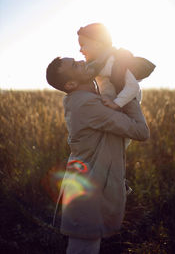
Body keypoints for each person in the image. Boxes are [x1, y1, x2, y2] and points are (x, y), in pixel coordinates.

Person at [46, 57, 150, 254]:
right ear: (71, 84)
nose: (82, 61)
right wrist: (125, 91)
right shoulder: (88, 104)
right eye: (75, 65)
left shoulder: (84, 100)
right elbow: (141, 131)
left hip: (88, 193)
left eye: (77, 59)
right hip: (87, 198)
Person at [77, 23, 156, 110]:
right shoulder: (95, 65)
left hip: (128, 104)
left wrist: (116, 103)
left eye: (82, 45)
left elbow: (133, 87)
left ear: (97, 45)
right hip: (114, 104)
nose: (80, 50)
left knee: (137, 123)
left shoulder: (114, 62)